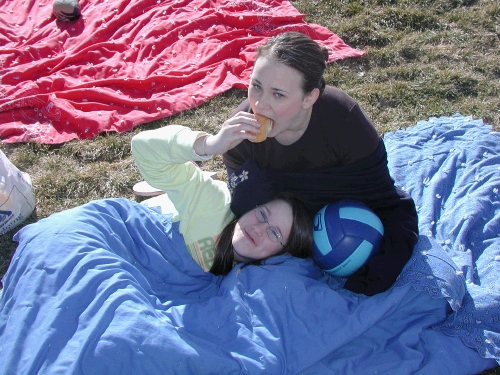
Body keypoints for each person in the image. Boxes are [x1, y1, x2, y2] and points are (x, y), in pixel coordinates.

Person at [200, 31, 419, 296]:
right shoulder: (240, 134)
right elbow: (247, 209)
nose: (259, 105)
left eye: (278, 95)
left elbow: (385, 202)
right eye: (256, 86)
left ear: (309, 98)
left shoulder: (345, 123)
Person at [131, 125, 313, 276]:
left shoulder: (268, 277)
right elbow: (142, 148)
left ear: (282, 254)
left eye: (275, 233)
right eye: (262, 214)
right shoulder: (211, 202)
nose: (258, 229)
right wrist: (207, 145)